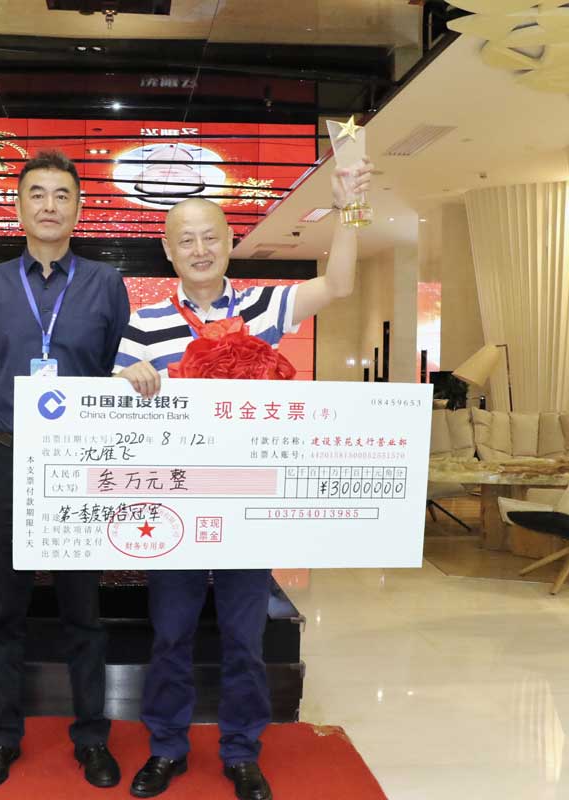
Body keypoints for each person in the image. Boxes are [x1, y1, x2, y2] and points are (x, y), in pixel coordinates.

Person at [115, 158, 373, 800]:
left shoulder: (265, 305)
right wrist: (125, 378)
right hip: (175, 501)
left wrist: (349, 207)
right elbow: (114, 404)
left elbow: (339, 282)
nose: (200, 249)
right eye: (186, 240)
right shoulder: (145, 323)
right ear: (168, 251)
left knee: (244, 638)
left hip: (247, 503)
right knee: (170, 636)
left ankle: (240, 751)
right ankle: (167, 748)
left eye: (211, 237)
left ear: (230, 241)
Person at [0, 150, 130, 790]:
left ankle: (91, 738)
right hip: (7, 455)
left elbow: (116, 367)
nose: (49, 205)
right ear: (18, 208)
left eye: (63, 195)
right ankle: (2, 737)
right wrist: (10, 422)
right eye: (37, 194)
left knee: (82, 609)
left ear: (79, 209)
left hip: (78, 463)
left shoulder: (105, 283)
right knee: (4, 608)